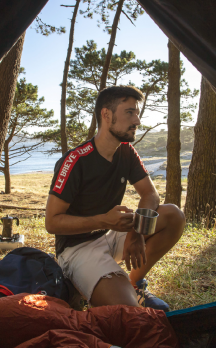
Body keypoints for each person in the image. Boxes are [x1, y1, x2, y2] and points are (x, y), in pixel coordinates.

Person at [45, 85, 185, 311]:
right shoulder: (75, 161)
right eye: (130, 112)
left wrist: (136, 231)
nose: (137, 121)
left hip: (112, 234)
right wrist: (103, 220)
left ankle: (135, 284)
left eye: (137, 113)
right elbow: (51, 222)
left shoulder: (126, 152)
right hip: (77, 249)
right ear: (106, 115)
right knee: (129, 314)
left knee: (173, 216)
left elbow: (150, 194)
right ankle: (81, 282)